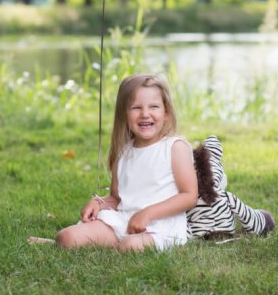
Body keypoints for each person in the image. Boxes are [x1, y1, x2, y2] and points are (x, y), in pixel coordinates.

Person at [55, 73, 198, 252]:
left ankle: (114, 244)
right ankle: (101, 241)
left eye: (154, 107)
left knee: (129, 246)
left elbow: (189, 196)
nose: (145, 114)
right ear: (125, 114)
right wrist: (99, 203)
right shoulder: (124, 152)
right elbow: (116, 198)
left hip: (161, 227)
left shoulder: (175, 148)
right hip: (123, 221)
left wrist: (147, 214)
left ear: (166, 113)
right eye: (136, 108)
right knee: (66, 238)